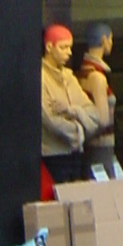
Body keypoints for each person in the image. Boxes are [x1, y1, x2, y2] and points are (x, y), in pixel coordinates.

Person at [40, 25, 97, 188]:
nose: (69, 52)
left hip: (75, 154)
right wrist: (80, 129)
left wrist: (73, 110)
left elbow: (94, 114)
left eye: (70, 47)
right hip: (53, 155)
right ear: (49, 47)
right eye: (63, 47)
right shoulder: (41, 77)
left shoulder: (69, 77)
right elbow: (50, 120)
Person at [78, 23, 118, 177]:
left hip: (94, 144)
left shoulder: (85, 71)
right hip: (101, 145)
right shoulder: (97, 77)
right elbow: (102, 120)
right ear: (103, 40)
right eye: (110, 39)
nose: (111, 43)